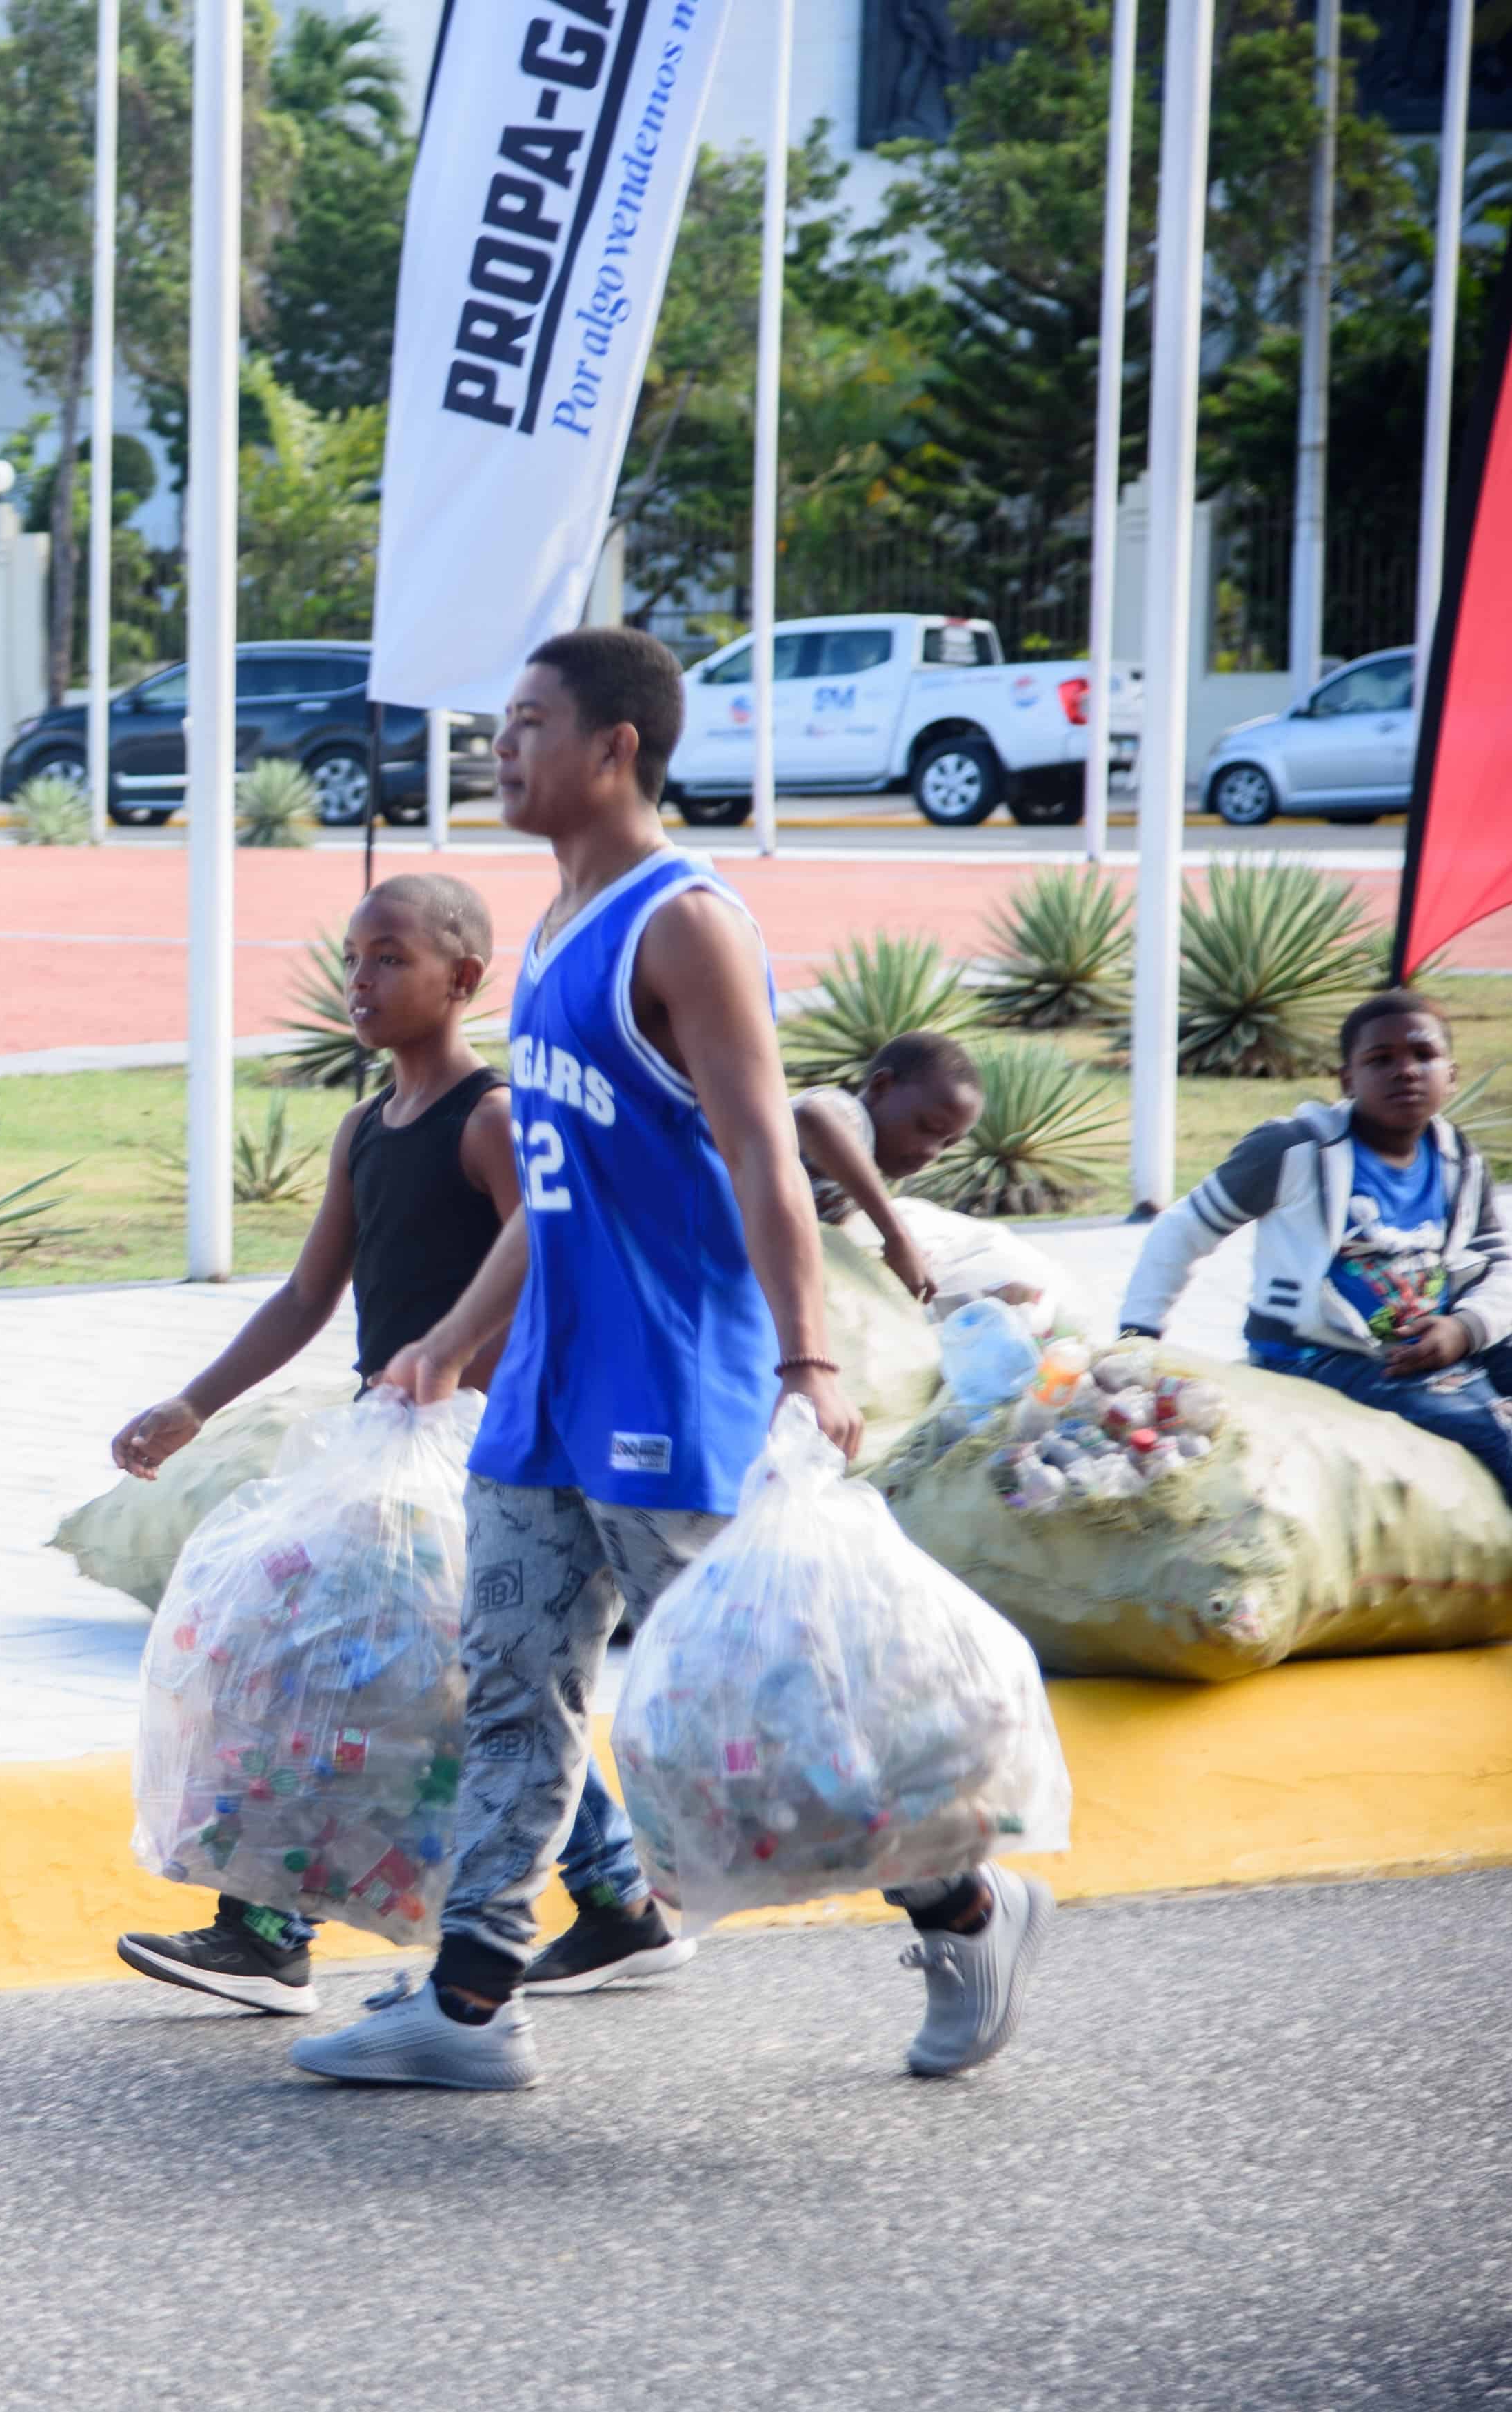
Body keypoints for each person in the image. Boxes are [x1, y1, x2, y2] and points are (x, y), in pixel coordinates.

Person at [291, 626, 1050, 2093]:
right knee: (509, 1689)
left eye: (525, 724)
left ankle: (965, 1905)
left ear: (614, 747)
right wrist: (454, 1342)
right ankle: (465, 2005)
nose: (499, 749)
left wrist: (808, 1358)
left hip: (674, 1390)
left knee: (756, 1705)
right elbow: (561, 1182)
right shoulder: (555, 921)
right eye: (498, 724)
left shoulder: (681, 922)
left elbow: (766, 1152)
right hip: (544, 1394)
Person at [104, 875, 696, 2016]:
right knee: (456, 1676)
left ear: (464, 979)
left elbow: (552, 1242)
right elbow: (305, 1294)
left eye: (389, 959)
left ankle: (273, 1930)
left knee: (394, 1668)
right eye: (353, 959)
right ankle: (616, 1899)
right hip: (389, 1443)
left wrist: (457, 1357)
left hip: (485, 1446)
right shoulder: (366, 1130)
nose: (359, 982)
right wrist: (192, 1404)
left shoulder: (493, 1118)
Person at [1120, 989, 1512, 1496]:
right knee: (1494, 1433)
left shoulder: (1459, 1158)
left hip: (1437, 1341)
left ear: (1452, 1074)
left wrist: (1464, 1329)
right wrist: (1136, 1338)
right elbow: (1184, 1229)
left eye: (1424, 1055)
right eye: (1380, 1059)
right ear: (1348, 1080)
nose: (1406, 1071)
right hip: (1320, 1357)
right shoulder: (1293, 1151)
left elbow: (1499, 1264)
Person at [792, 1032, 985, 1300]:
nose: (932, 1152)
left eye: (947, 1144)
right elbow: (812, 1115)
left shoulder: (864, 1164)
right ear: (881, 1086)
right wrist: (897, 1236)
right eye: (926, 1127)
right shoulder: (850, 1114)